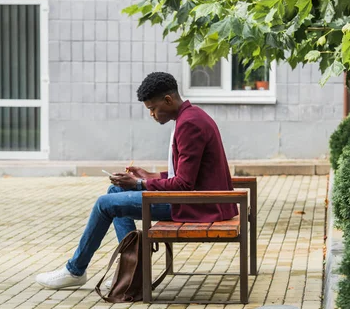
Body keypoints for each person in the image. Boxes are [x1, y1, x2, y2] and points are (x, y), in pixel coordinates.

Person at [36, 72, 237, 289]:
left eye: (152, 108)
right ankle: (132, 269)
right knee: (114, 193)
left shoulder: (189, 125)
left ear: (168, 100)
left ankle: (75, 271)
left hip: (196, 205)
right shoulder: (191, 116)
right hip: (196, 199)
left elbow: (184, 184)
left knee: (105, 204)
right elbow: (185, 175)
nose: (151, 114)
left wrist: (139, 185)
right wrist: (148, 176)